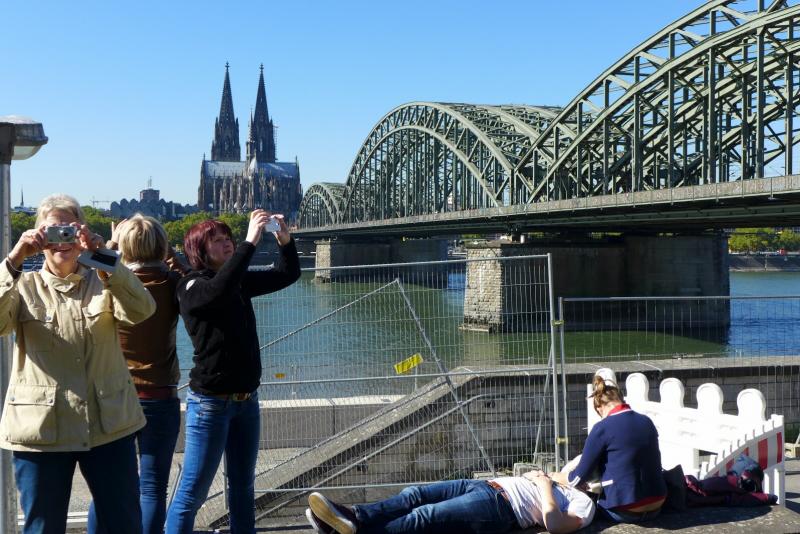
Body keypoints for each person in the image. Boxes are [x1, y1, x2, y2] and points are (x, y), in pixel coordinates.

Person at [0, 194, 156, 534]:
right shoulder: (22, 285)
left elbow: (143, 310)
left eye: (69, 230)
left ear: (82, 231)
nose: (62, 240)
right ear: (37, 236)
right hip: (42, 431)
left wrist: (102, 255)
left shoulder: (104, 278)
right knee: (42, 528)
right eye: (51, 231)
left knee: (124, 525)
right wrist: (14, 259)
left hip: (107, 425)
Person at [165, 209, 300, 534]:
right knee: (193, 493)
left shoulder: (236, 282)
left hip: (246, 401)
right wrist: (249, 242)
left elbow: (286, 274)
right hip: (211, 405)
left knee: (242, 486)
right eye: (217, 240)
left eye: (229, 238)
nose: (227, 243)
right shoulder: (191, 286)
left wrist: (284, 241)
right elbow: (219, 290)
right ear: (199, 250)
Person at [87, 214, 190, 534]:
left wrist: (112, 243)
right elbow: (193, 280)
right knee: (152, 488)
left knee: (106, 487)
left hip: (114, 395)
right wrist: (170, 254)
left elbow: (94, 267)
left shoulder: (107, 281)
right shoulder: (173, 283)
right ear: (162, 245)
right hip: (160, 394)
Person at [305, 470, 594, 534]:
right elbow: (569, 472)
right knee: (414, 493)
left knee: (425, 515)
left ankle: (353, 532)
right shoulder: (568, 479)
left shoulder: (585, 503)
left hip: (502, 508)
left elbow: (555, 525)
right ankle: (353, 516)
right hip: (485, 485)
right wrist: (549, 477)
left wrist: (544, 485)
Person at [549, 374, 667, 523]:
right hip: (658, 504)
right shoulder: (646, 421)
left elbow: (577, 478)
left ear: (599, 407)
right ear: (621, 400)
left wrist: (554, 476)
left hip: (625, 511)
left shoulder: (602, 428)